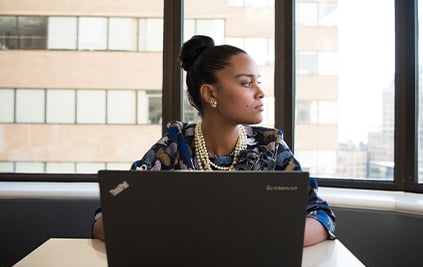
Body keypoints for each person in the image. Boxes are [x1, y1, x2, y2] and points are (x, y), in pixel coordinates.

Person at [92, 35, 335, 246]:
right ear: (210, 93)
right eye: (246, 83)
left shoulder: (271, 146)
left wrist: (267, 239)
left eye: (257, 82)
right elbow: (105, 218)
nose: (260, 93)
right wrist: (169, 237)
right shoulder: (173, 146)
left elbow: (320, 214)